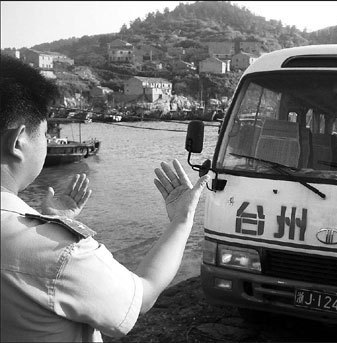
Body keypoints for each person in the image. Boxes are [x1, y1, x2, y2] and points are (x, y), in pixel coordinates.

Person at [0, 54, 210, 342]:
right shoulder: (56, 252)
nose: (48, 142)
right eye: (46, 133)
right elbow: (142, 295)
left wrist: (52, 221)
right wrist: (182, 218)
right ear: (18, 141)